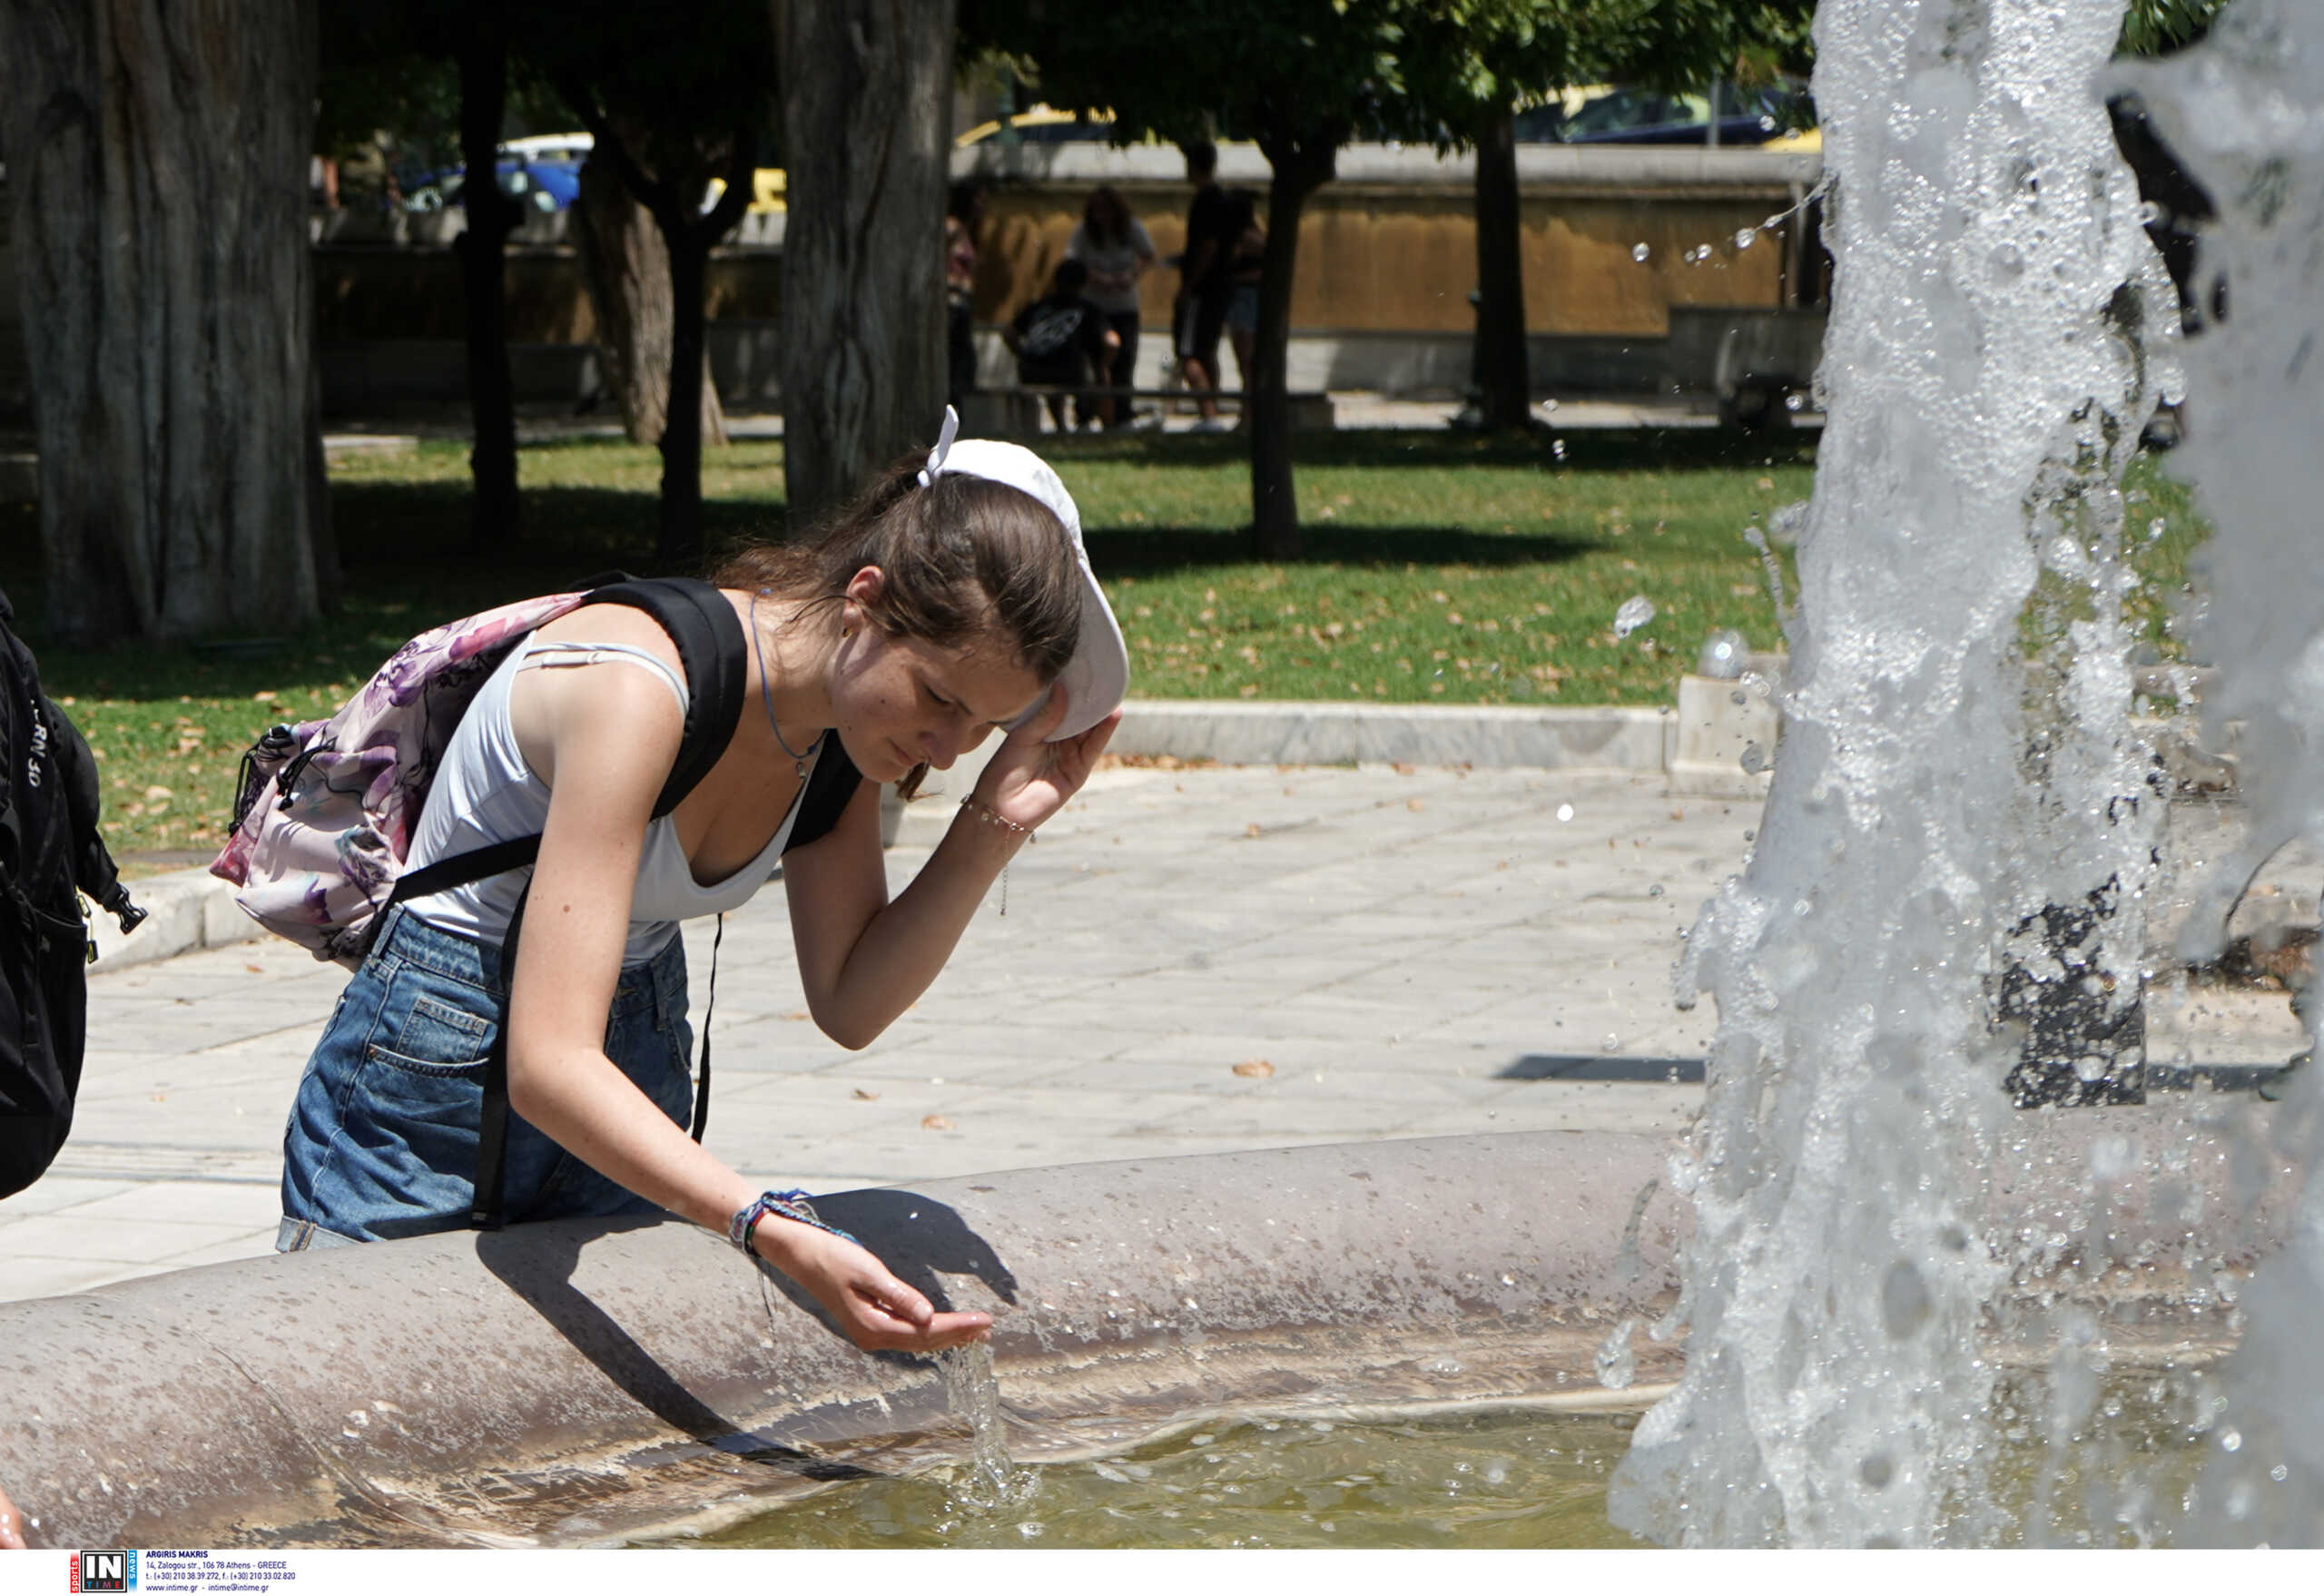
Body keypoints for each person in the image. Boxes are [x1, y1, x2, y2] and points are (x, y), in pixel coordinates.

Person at [273, 418, 1130, 1355]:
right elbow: (548, 1063)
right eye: (940, 699)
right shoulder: (638, 686)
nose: (947, 750)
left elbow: (850, 1002)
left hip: (624, 1070)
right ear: (865, 601)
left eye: (983, 727)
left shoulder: (839, 739)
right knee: (367, 1430)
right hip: (429, 1083)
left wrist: (992, 824)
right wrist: (765, 1221)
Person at [1065, 186, 1157, 429]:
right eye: (1097, 212)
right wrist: (1096, 278)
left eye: (1107, 212)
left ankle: (1122, 414)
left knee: (1123, 360)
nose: (1102, 218)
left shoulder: (1131, 228)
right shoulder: (1083, 232)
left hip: (1124, 306)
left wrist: (1131, 275)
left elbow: (1149, 255)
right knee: (1091, 363)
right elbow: (1071, 260)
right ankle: (1085, 414)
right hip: (1094, 308)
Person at [1005, 259, 1120, 433]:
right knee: (1101, 377)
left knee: (1052, 363)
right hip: (1071, 372)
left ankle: (1060, 427)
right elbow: (1113, 343)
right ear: (1083, 283)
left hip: (1032, 372)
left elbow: (1008, 333)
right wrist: (1102, 367)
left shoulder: (1039, 307)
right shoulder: (1086, 309)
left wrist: (1022, 354)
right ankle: (1109, 431)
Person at [1171, 140, 1238, 433]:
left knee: (1188, 354)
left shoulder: (1206, 201)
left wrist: (1189, 285)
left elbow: (1208, 248)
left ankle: (1208, 414)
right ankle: (1213, 411)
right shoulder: (1224, 199)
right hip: (1222, 287)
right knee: (1208, 350)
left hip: (1202, 290)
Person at [1220, 191, 1265, 425]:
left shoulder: (1249, 237)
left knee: (1247, 362)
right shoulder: (1247, 235)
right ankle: (1247, 413)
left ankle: (1248, 415)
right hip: (1241, 299)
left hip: (1246, 299)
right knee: (1245, 362)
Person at [946, 182, 987, 409]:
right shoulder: (951, 227)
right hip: (949, 304)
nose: (982, 206)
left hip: (963, 305)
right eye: (978, 199)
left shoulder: (969, 231)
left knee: (965, 365)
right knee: (953, 364)